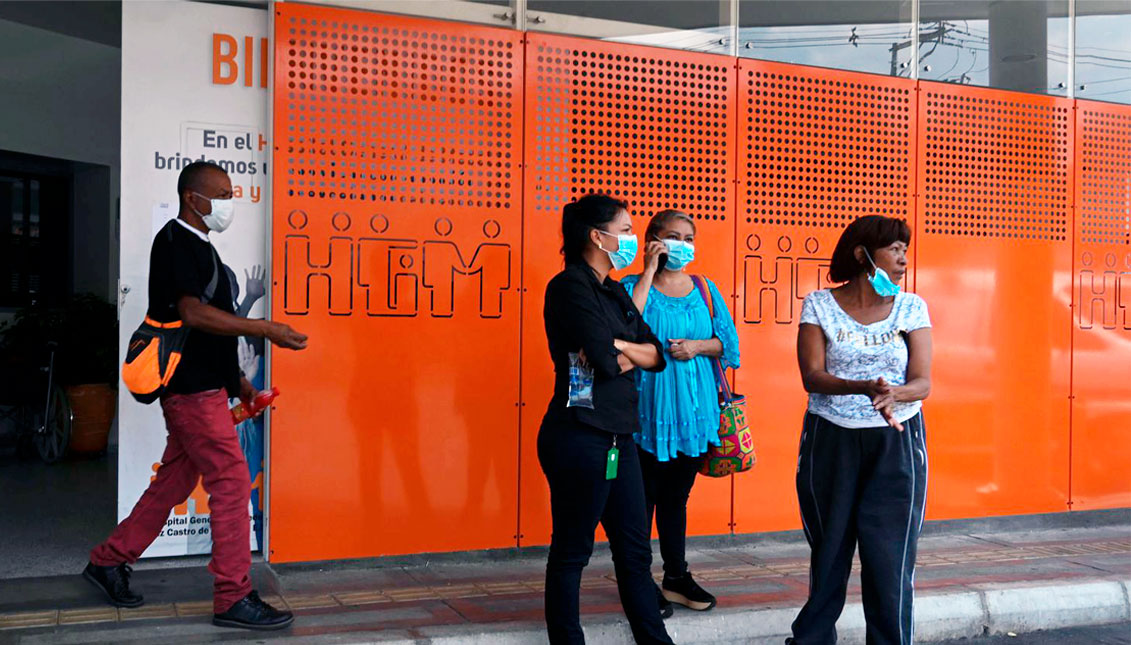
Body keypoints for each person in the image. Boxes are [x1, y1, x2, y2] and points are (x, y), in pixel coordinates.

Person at [83, 161, 309, 631]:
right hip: (190, 393)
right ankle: (233, 596)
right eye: (222, 194)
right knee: (229, 482)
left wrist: (241, 386)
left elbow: (215, 335)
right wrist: (265, 328)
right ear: (193, 198)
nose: (230, 202)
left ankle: (108, 560)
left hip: (206, 389)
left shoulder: (204, 250)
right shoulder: (174, 242)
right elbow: (193, 315)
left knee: (173, 483)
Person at [788, 215, 933, 645]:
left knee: (889, 558)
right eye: (895, 249)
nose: (903, 259)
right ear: (862, 253)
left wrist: (897, 395)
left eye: (905, 250)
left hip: (897, 440)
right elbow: (812, 376)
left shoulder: (912, 307)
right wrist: (863, 387)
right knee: (829, 551)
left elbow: (923, 382)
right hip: (831, 439)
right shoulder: (819, 303)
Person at [539, 194, 675, 645]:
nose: (632, 239)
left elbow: (656, 354)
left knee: (635, 555)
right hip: (579, 436)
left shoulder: (614, 289)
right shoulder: (569, 287)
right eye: (626, 229)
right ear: (598, 236)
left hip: (620, 436)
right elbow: (600, 358)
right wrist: (617, 349)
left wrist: (620, 347)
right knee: (572, 553)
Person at [621, 210, 740, 616]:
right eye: (672, 237)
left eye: (688, 238)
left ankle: (676, 576)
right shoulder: (629, 286)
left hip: (693, 414)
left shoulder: (705, 289)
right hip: (645, 414)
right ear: (652, 239)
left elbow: (729, 345)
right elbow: (620, 332)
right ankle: (639, 584)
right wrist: (649, 269)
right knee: (641, 502)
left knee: (676, 498)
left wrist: (696, 346)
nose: (682, 245)